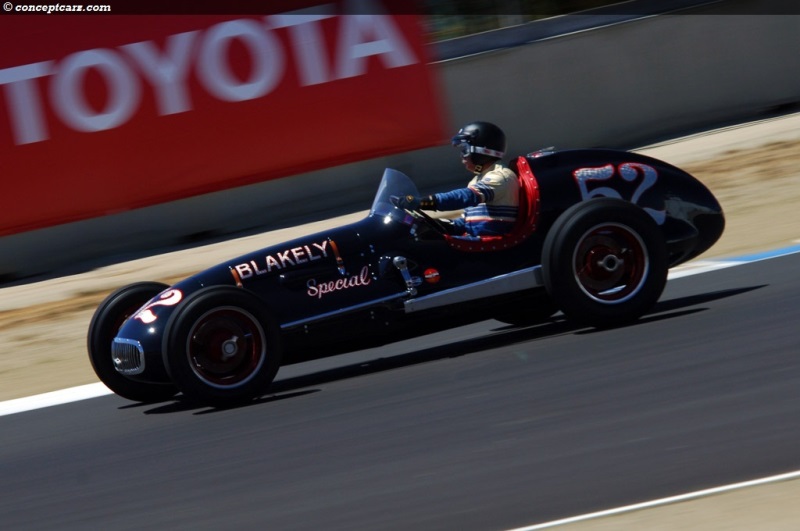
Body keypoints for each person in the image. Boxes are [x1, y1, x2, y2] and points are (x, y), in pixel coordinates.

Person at [396, 121, 519, 239]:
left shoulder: (501, 177)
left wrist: (423, 203)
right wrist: (440, 225)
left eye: (465, 150)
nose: (462, 156)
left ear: (481, 151)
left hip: (490, 247)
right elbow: (469, 221)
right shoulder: (477, 179)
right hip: (477, 241)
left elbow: (464, 197)